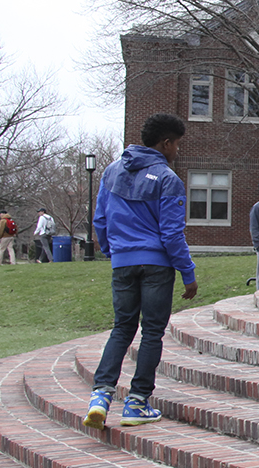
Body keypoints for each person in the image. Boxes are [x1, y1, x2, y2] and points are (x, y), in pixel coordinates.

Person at [84, 112, 198, 429]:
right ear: (165, 144)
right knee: (151, 333)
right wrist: (187, 273)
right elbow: (172, 234)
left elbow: (100, 221)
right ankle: (136, 403)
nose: (177, 151)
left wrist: (114, 252)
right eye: (176, 144)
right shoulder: (168, 179)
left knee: (122, 328)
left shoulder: (111, 172)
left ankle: (100, 397)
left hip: (122, 262)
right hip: (157, 266)